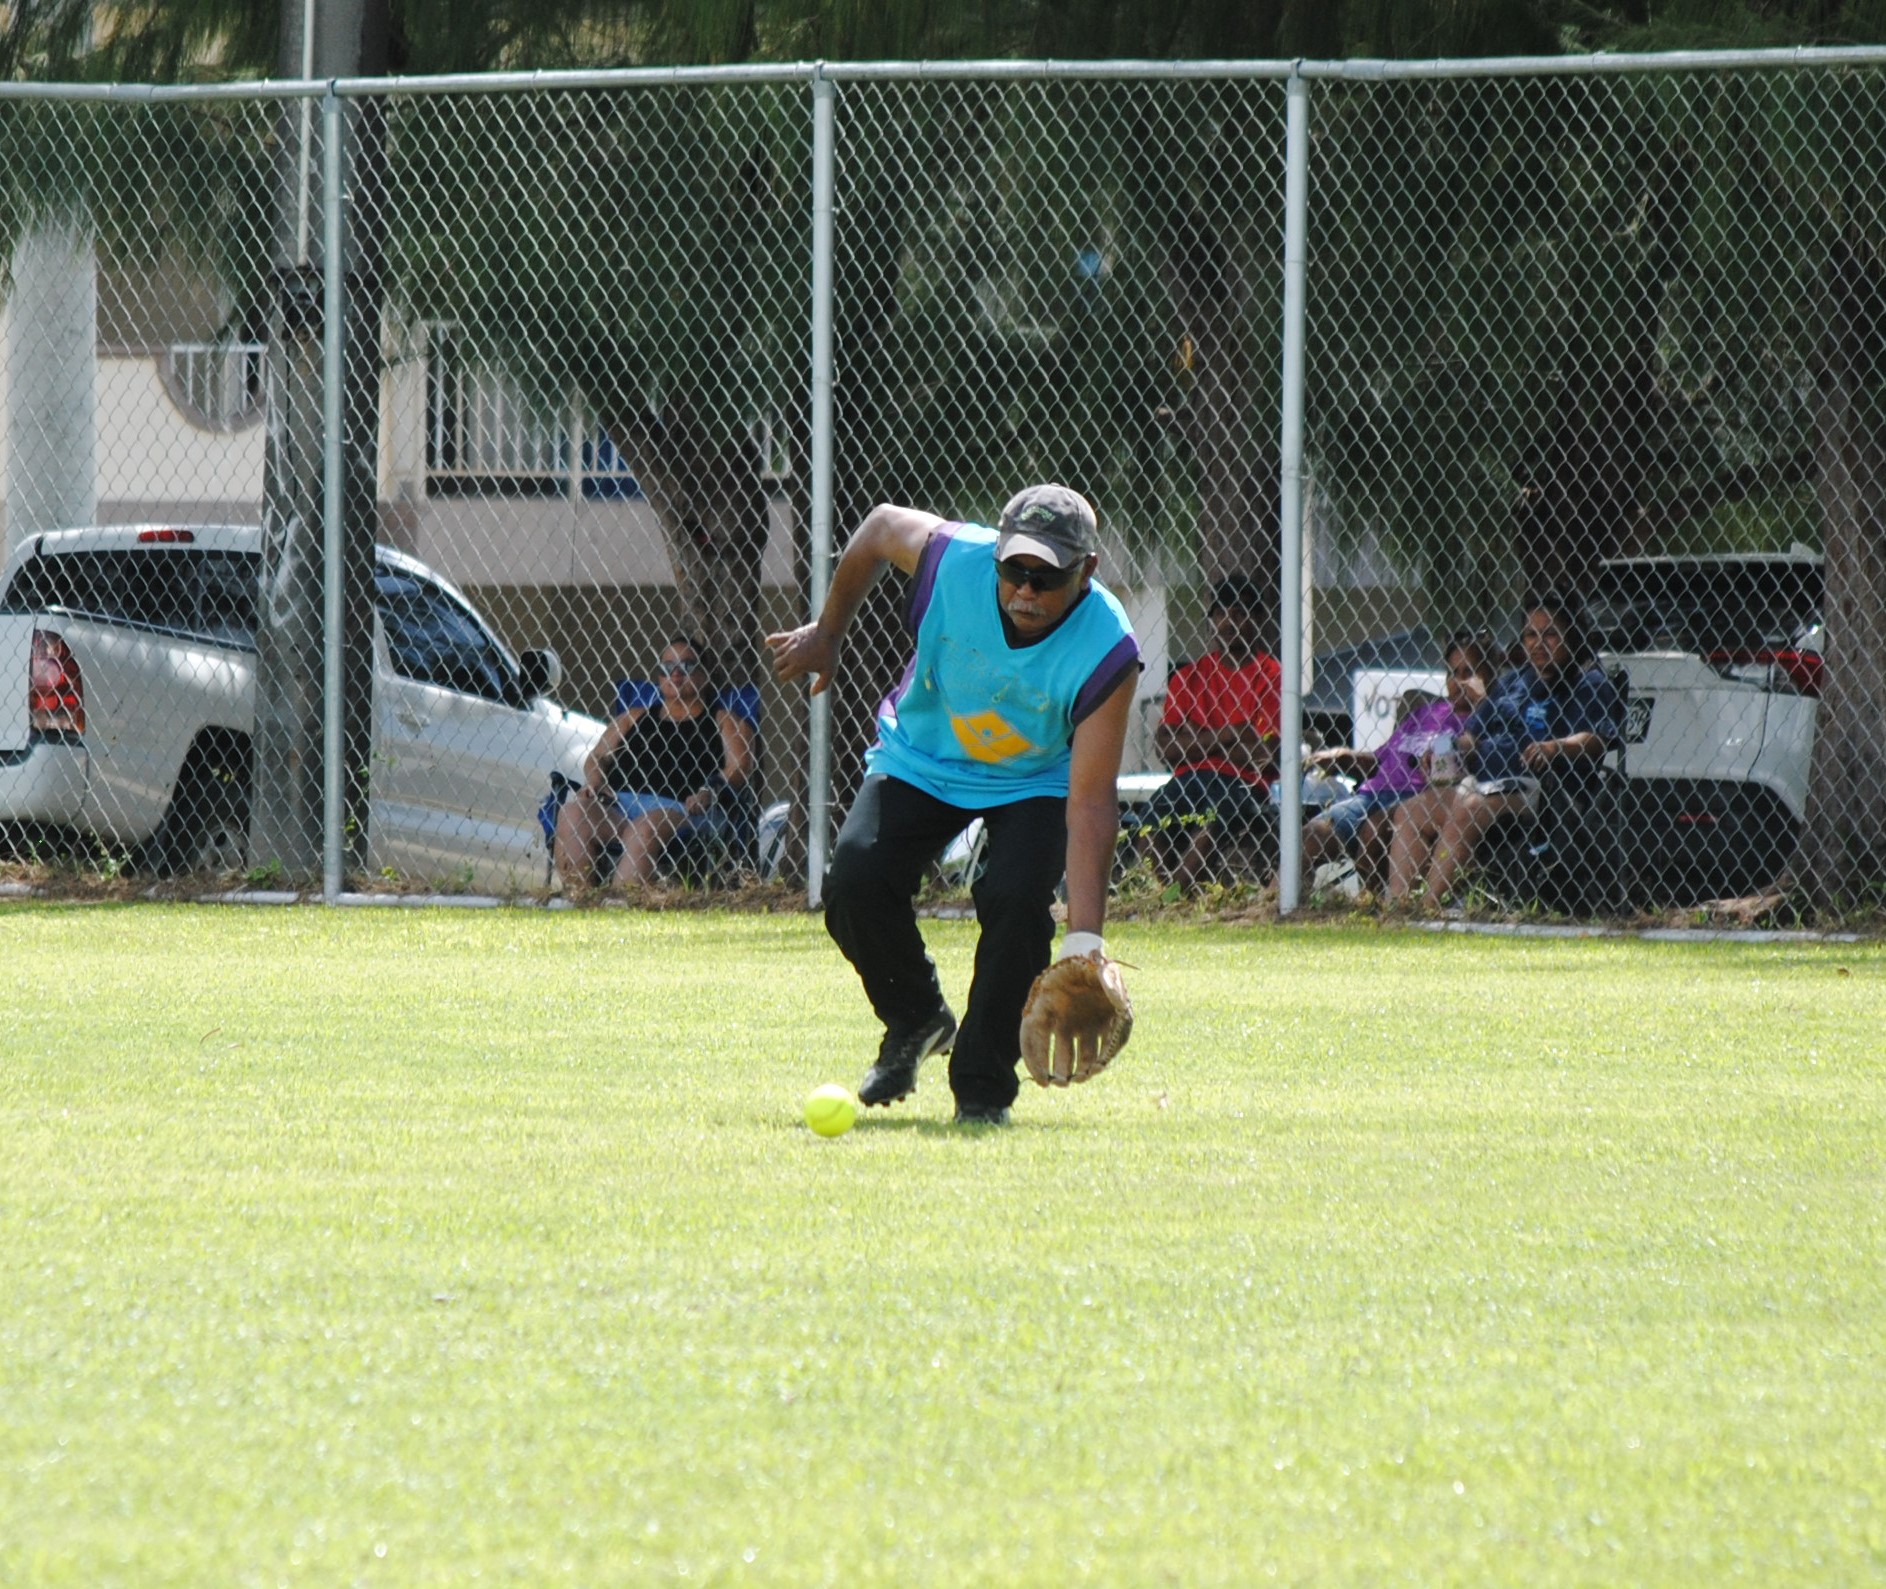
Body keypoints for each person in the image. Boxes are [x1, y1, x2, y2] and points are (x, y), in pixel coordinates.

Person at [766, 484, 1138, 1127]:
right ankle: (915, 1018)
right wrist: (828, 630)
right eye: (1014, 570)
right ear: (994, 554)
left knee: (1018, 902)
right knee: (855, 880)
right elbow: (880, 523)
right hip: (924, 756)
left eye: (1047, 578)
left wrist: (1085, 939)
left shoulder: (1107, 646)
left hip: (1033, 778)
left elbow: (1090, 805)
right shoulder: (953, 560)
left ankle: (983, 1088)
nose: (1026, 591)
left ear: (1087, 572)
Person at [1385, 595, 1623, 905]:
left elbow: (1596, 738)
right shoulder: (1513, 682)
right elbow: (1473, 733)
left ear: (1572, 636)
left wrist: (1555, 746)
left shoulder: (1589, 683)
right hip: (1484, 783)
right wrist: (1452, 750)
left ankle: (1428, 910)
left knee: (1468, 808)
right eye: (1531, 634)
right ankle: (1399, 908)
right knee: (1413, 810)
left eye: (1550, 634)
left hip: (1544, 793)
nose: (1539, 643)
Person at [554, 638, 757, 891]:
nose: (675, 673)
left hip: (681, 809)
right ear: (659, 677)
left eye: (687, 666)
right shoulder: (634, 717)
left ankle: (617, 905)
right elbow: (598, 757)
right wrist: (595, 782)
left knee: (644, 827)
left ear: (704, 676)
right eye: (667, 667)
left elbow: (740, 765)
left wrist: (710, 790)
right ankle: (580, 901)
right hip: (620, 805)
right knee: (573, 813)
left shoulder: (723, 719)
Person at [1300, 633, 1495, 895]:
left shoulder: (1488, 717)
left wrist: (1482, 704)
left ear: (1488, 675)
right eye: (1452, 672)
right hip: (1372, 794)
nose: (1459, 681)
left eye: (1468, 672)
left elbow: (1463, 768)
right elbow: (1379, 759)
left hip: (1416, 797)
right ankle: (1277, 903)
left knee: (1375, 828)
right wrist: (1344, 754)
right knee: (1312, 833)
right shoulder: (1425, 712)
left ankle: (1372, 909)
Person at [1135, 574, 1282, 892]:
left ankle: (1171, 901)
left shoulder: (1271, 675)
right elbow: (1166, 749)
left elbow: (1263, 756)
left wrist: (1195, 737)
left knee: (1209, 826)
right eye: (1221, 613)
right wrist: (1233, 732)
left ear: (1257, 619)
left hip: (1243, 783)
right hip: (1188, 778)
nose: (1229, 622)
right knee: (1148, 823)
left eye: (1241, 613)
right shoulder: (1189, 676)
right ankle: (1165, 896)